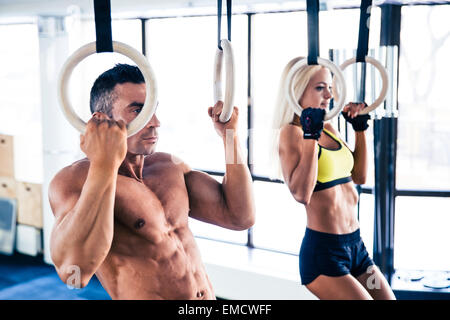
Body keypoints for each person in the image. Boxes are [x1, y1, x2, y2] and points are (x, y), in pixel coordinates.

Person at [49, 63, 255, 300]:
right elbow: (75, 274)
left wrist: (230, 136)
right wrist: (104, 163)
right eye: (138, 111)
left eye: (153, 110)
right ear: (101, 120)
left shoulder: (168, 167)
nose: (155, 121)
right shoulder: (75, 179)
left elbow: (240, 217)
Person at [271, 57, 395, 300]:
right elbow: (301, 194)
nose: (328, 94)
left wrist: (359, 130)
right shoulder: (290, 133)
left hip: (357, 248)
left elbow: (358, 176)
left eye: (329, 87)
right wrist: (309, 136)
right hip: (324, 256)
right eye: (319, 88)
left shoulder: (329, 129)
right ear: (297, 92)